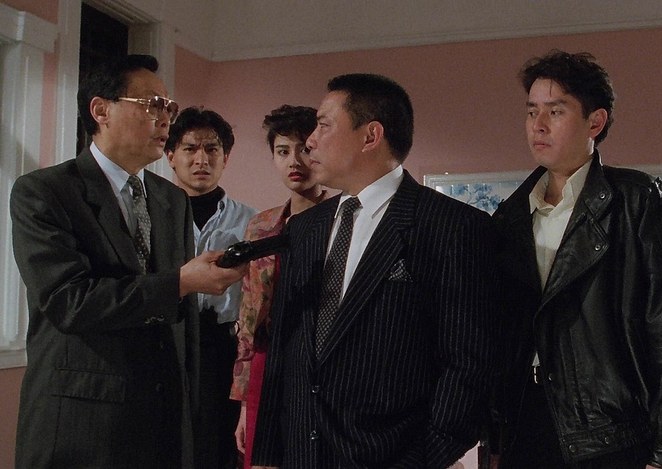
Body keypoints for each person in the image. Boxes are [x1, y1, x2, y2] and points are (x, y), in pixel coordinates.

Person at [250, 73, 499, 468]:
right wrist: (266, 456)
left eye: (323, 125)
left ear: (370, 136)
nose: (310, 141)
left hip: (394, 456)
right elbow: (284, 347)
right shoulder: (304, 229)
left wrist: (426, 457)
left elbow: (469, 364)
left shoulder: (452, 226)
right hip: (303, 455)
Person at [10, 54, 246, 468]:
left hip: (162, 423)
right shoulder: (45, 192)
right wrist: (181, 282)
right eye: (152, 105)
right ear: (101, 110)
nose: (165, 118)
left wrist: (189, 417)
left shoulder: (171, 199)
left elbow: (184, 328)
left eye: (168, 107)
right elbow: (69, 301)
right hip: (82, 421)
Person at [486, 50, 662, 468]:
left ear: (595, 122)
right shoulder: (510, 216)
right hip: (525, 425)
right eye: (531, 111)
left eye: (555, 111)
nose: (538, 125)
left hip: (613, 434)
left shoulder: (637, 200)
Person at [229, 104, 329, 469]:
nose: (295, 161)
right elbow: (249, 314)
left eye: (305, 149)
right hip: (267, 359)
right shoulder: (262, 225)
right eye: (283, 151)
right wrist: (244, 402)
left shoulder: (343, 217)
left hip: (322, 366)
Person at [165, 106, 257, 469]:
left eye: (212, 149)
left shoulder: (251, 221)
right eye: (190, 148)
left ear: (226, 157)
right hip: (169, 340)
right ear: (170, 156)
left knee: (218, 444)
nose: (201, 159)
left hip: (223, 345)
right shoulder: (154, 218)